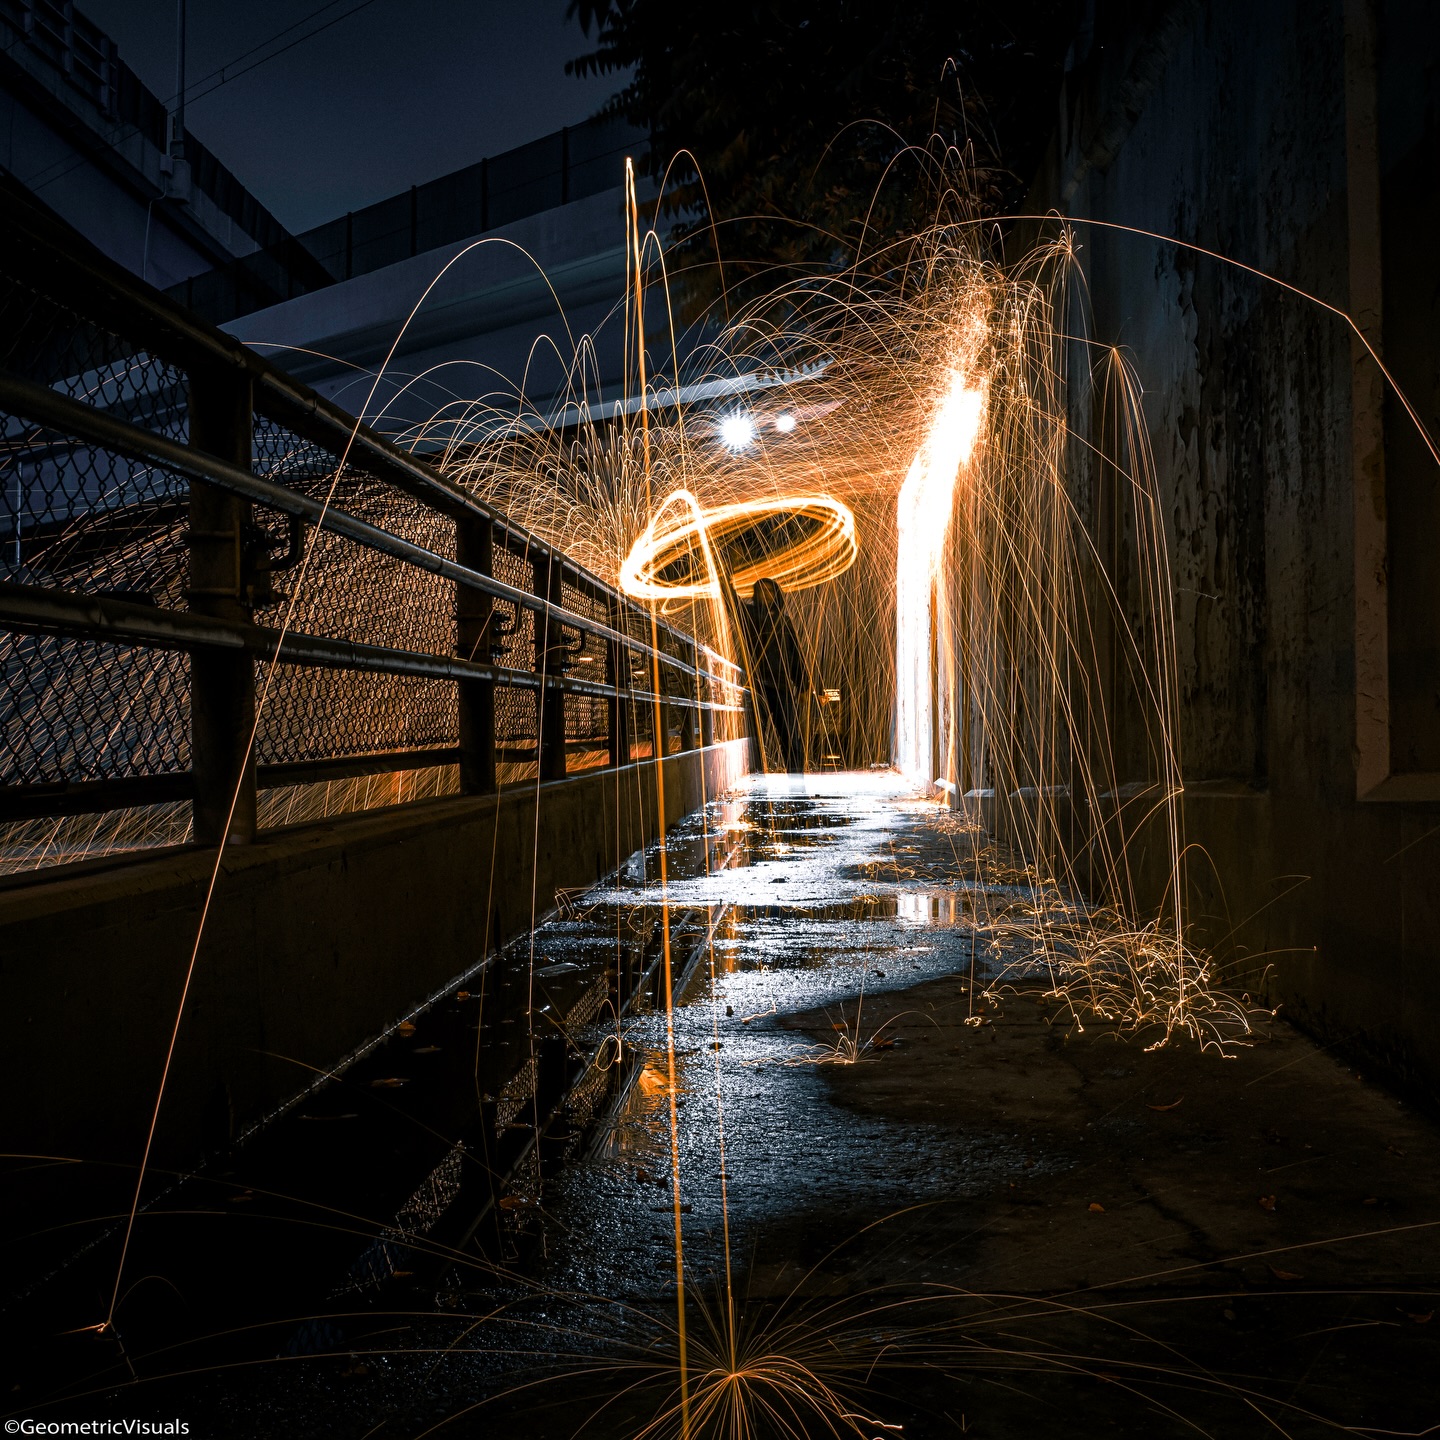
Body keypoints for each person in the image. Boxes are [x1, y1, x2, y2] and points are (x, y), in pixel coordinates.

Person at [740, 576, 808, 772]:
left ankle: (795, 775)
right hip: (757, 685)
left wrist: (803, 685)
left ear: (776, 594)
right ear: (756, 594)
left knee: (790, 735)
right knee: (755, 736)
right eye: (762, 591)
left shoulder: (783, 621)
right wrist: (724, 573)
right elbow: (730, 600)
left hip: (782, 685)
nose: (766, 595)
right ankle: (757, 772)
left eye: (770, 591)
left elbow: (794, 654)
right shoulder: (748, 615)